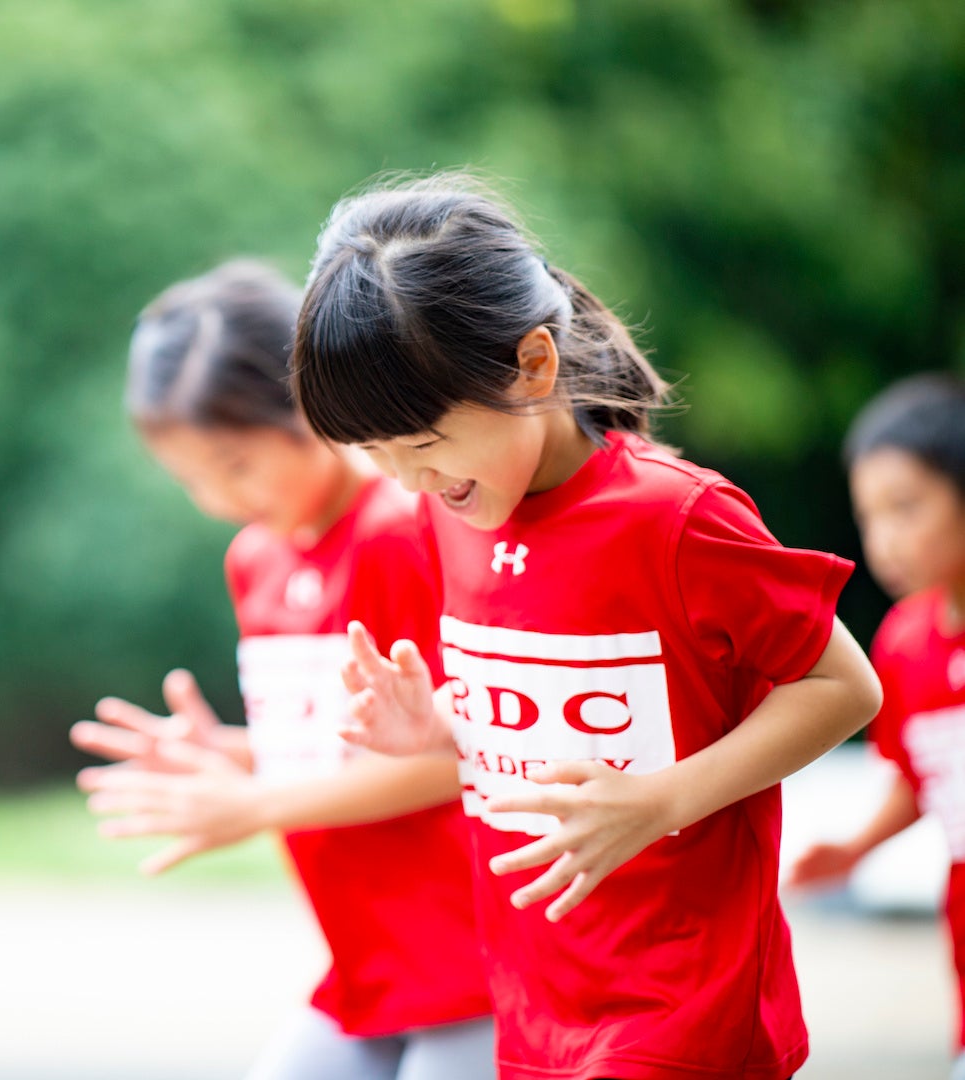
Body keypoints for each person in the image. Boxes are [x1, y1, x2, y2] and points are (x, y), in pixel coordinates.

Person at [288, 173, 882, 1079]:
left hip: (680, 1010)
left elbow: (844, 687)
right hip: (533, 1004)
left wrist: (663, 803)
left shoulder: (673, 518)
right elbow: (536, 730)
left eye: (423, 443)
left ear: (532, 364)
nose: (406, 479)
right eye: (374, 455)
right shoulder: (447, 513)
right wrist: (441, 730)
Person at [70, 259, 493, 1080]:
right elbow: (338, 752)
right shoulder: (254, 561)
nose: (217, 498)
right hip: (367, 962)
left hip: (472, 958)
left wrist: (257, 801)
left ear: (309, 404)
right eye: (189, 478)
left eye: (233, 465)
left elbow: (460, 751)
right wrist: (231, 751)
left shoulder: (401, 528)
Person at [787, 373, 965, 1079]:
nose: (883, 538)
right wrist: (855, 850)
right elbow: (930, 777)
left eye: (906, 507)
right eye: (870, 515)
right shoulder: (901, 643)